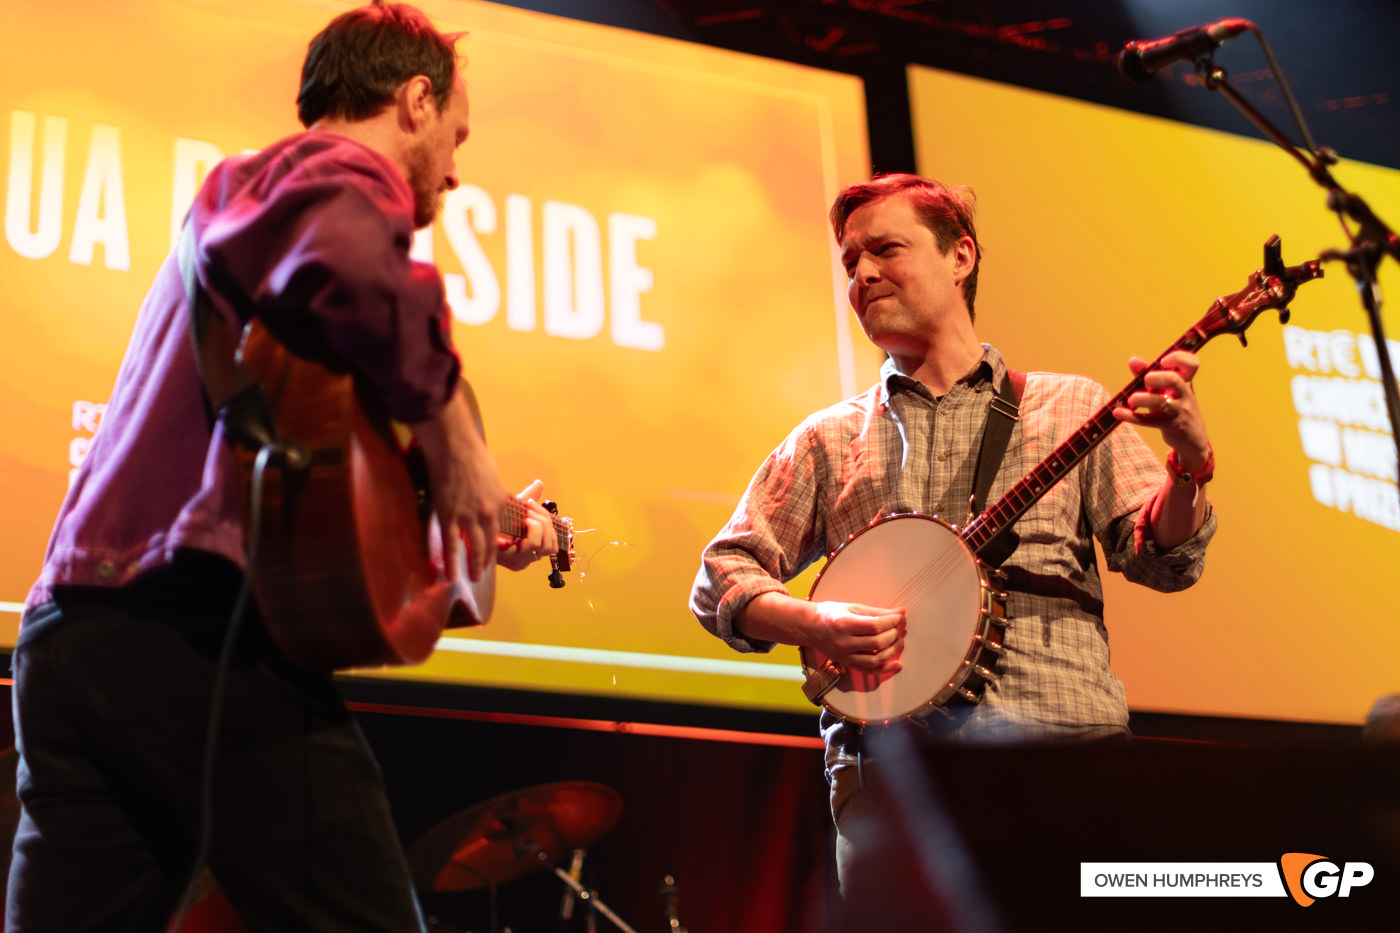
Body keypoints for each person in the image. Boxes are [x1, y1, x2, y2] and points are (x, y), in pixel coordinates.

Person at [6, 4, 558, 931]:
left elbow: (313, 483)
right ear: (416, 99)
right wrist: (455, 434)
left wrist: (456, 520)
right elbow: (352, 262)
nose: (456, 171)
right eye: (456, 136)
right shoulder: (328, 172)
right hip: (187, 635)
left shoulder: (249, 227)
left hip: (72, 635)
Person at [689, 173, 1218, 886]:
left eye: (885, 249)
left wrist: (1188, 463)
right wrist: (812, 621)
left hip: (1065, 749)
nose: (863, 273)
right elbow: (723, 572)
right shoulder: (828, 437)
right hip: (894, 775)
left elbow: (1164, 560)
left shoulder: (1073, 406)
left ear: (960, 256)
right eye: (850, 261)